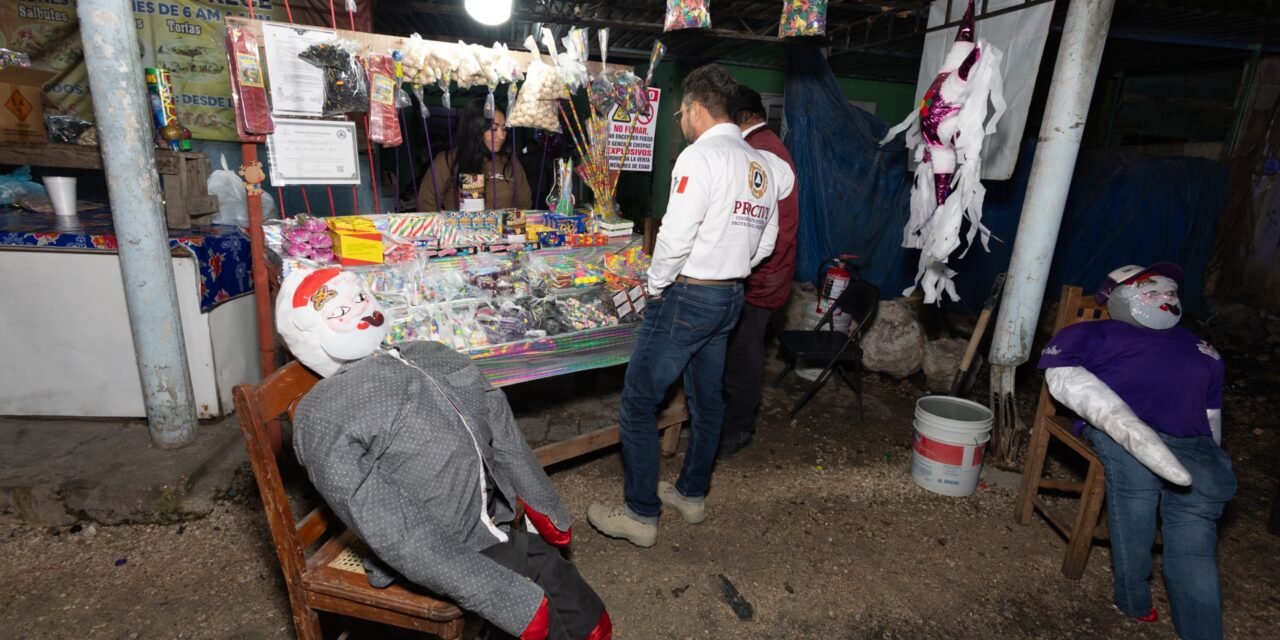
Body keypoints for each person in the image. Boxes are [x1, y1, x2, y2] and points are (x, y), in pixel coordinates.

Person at [276, 267, 611, 640]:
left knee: (566, 589)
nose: (359, 310)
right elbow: (387, 523)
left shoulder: (427, 352)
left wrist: (539, 496)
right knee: (529, 595)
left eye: (359, 297)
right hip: (442, 542)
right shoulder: (323, 415)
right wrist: (497, 593)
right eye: (339, 312)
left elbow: (496, 415)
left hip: (492, 511)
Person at [586, 65, 794, 548]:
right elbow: (767, 241)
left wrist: (656, 285)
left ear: (697, 109)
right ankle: (691, 494)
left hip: (687, 294)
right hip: (730, 296)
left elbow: (675, 236)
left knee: (639, 401)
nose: (680, 120)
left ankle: (641, 515)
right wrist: (730, 266)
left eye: (680, 112)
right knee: (706, 399)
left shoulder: (699, 158)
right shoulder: (761, 165)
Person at [1038, 263, 1235, 640]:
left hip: (1190, 438)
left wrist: (1210, 452)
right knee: (1137, 488)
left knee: (1196, 527)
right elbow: (1063, 377)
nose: (1165, 298)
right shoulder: (1091, 332)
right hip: (1122, 429)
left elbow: (1212, 413)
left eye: (1171, 292)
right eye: (1151, 292)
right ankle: (1133, 595)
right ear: (1117, 298)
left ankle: (1203, 632)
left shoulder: (1201, 347)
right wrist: (1127, 427)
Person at [718, 86, 799, 458]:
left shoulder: (762, 154)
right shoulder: (762, 147)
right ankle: (730, 418)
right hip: (762, 272)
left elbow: (754, 224)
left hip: (761, 276)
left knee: (743, 354)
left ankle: (738, 429)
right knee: (740, 350)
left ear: (741, 117)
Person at [418, 97, 533, 212]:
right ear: (475, 128)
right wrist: (447, 223)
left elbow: (524, 204)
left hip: (505, 224)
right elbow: (427, 204)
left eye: (504, 129)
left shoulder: (510, 163)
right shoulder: (448, 161)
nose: (502, 136)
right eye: (494, 129)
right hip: (460, 224)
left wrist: (506, 223)